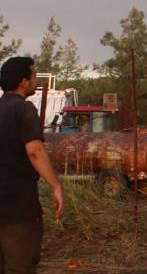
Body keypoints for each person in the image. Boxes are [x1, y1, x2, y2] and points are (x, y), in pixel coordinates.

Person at [0, 56, 63, 274]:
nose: (36, 79)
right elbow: (34, 151)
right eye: (34, 75)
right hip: (19, 213)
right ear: (23, 82)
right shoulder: (24, 109)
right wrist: (56, 187)